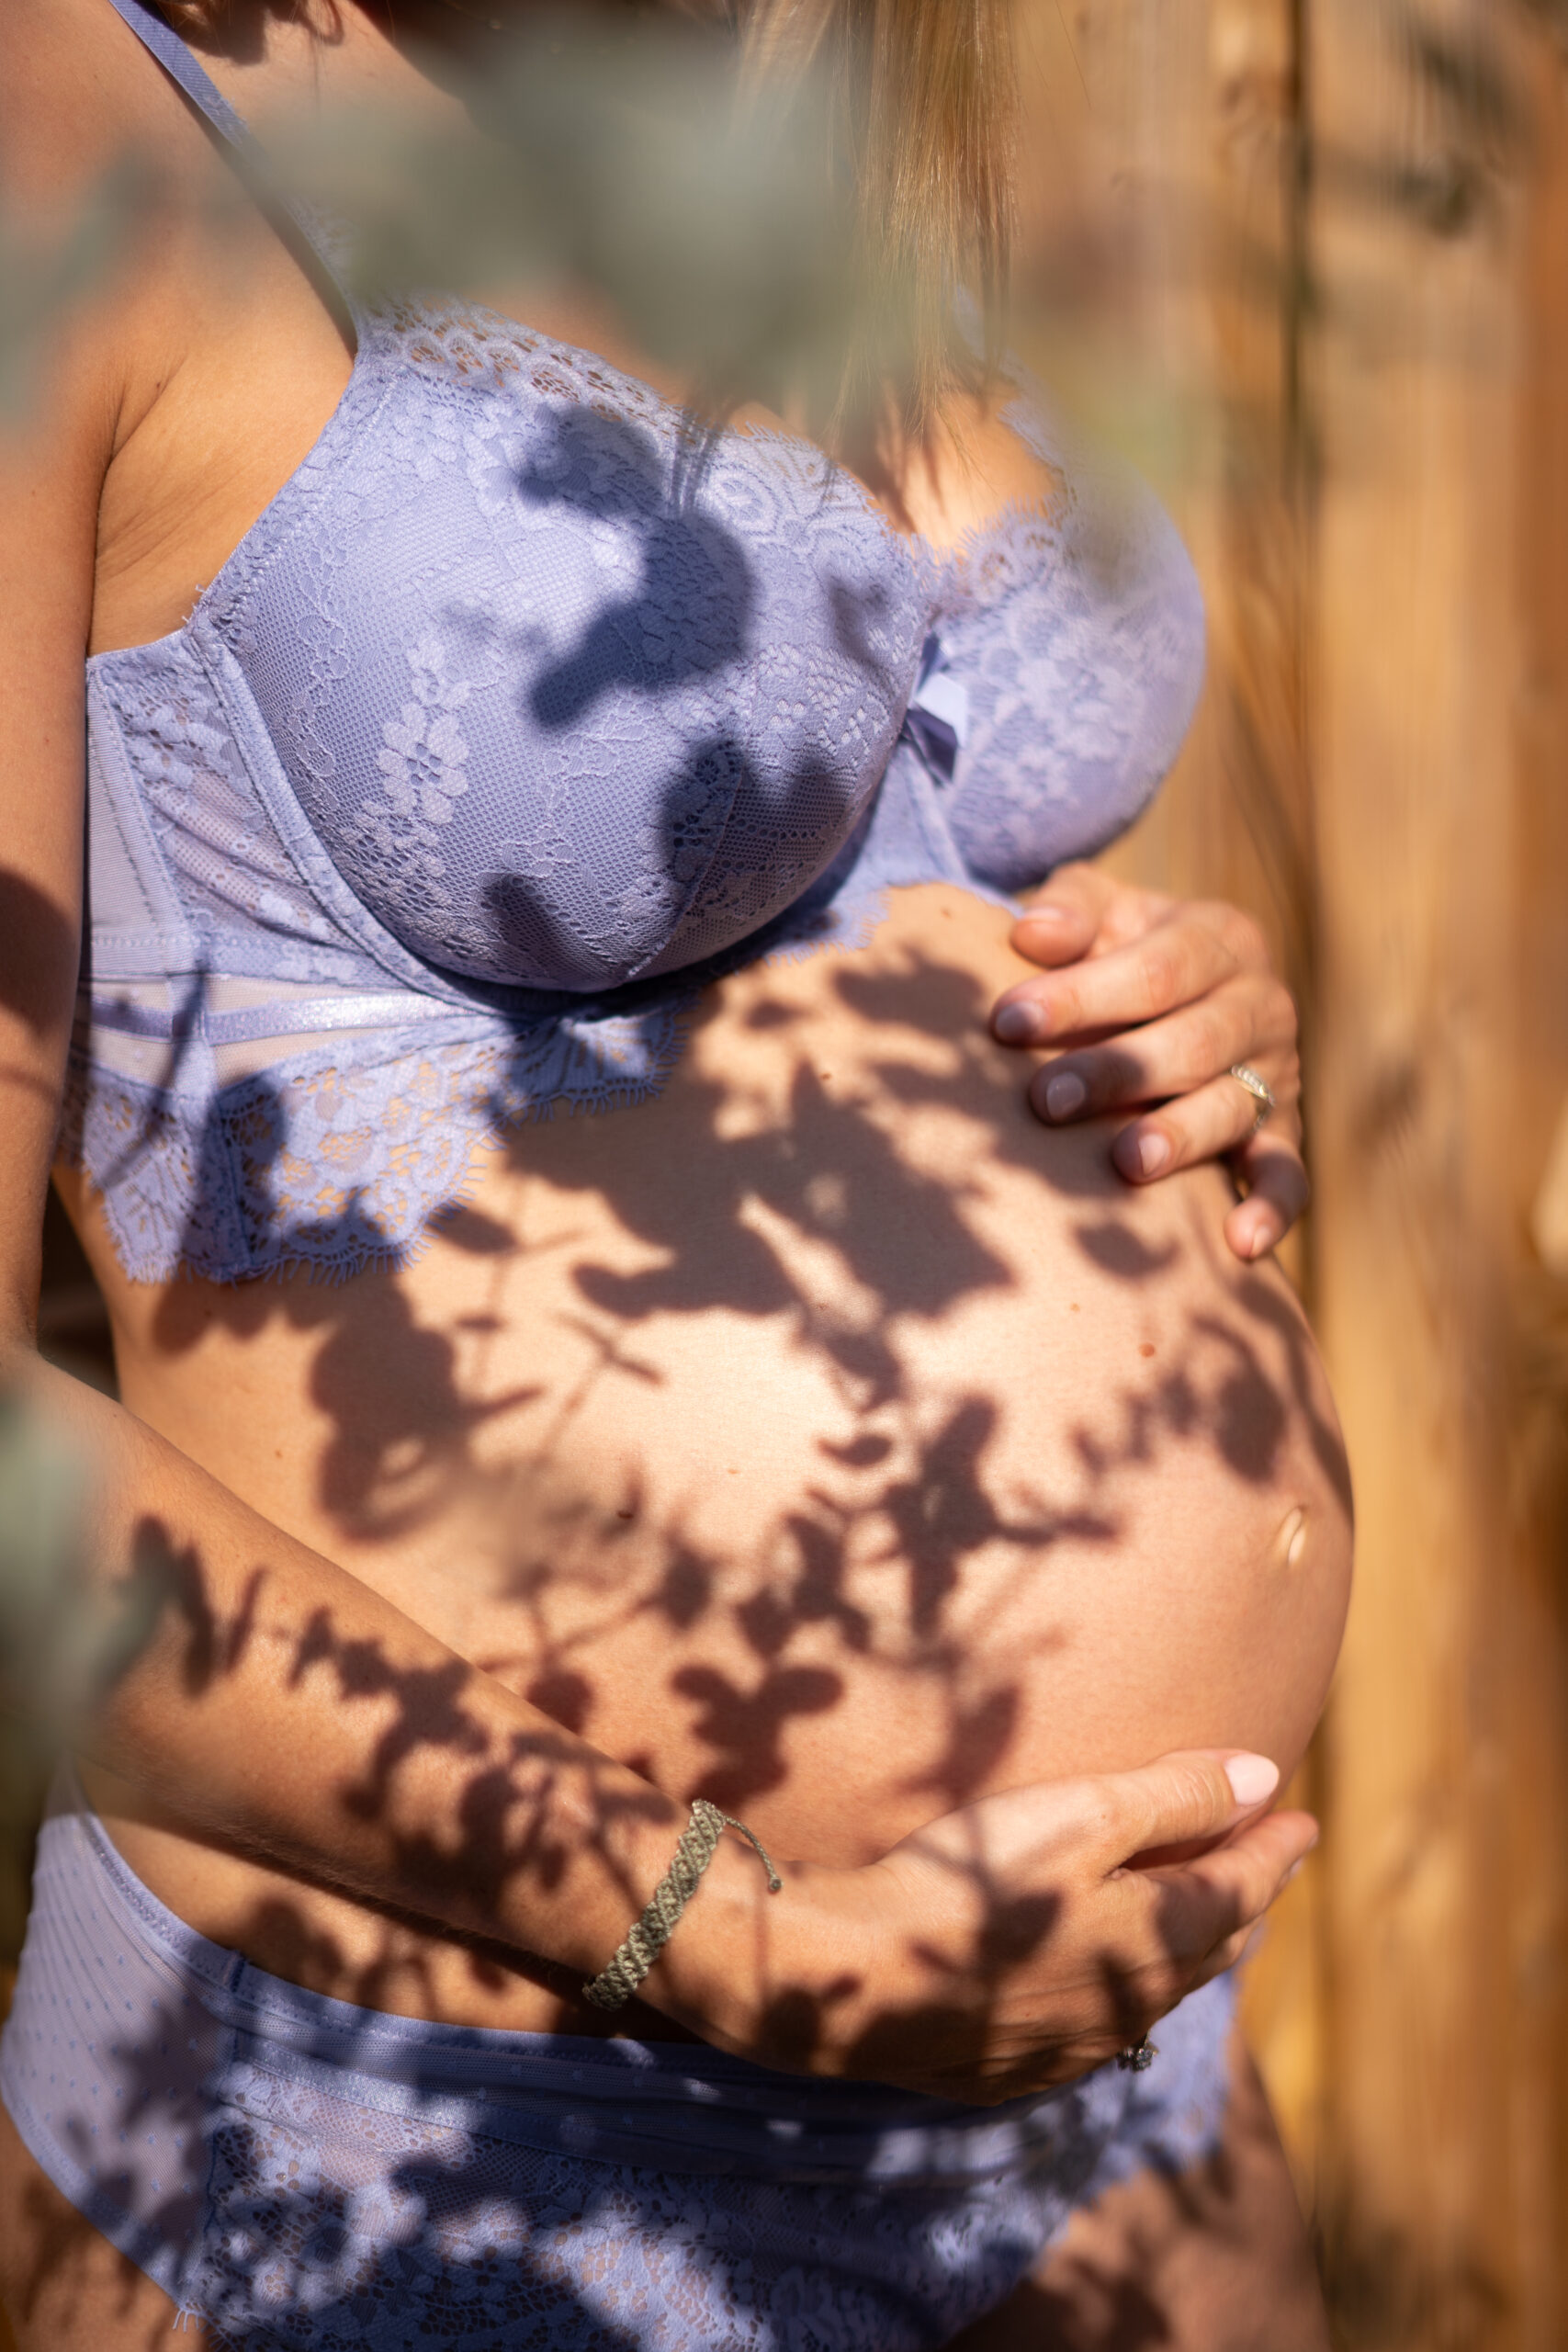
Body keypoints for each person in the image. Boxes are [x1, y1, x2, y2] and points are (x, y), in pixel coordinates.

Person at [0, 0, 1349, 2344]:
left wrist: (1186, 1038)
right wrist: (709, 1918)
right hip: (441, 2129)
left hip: (1105, 2106)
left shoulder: (793, 67)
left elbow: (873, 911)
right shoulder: (64, 122)